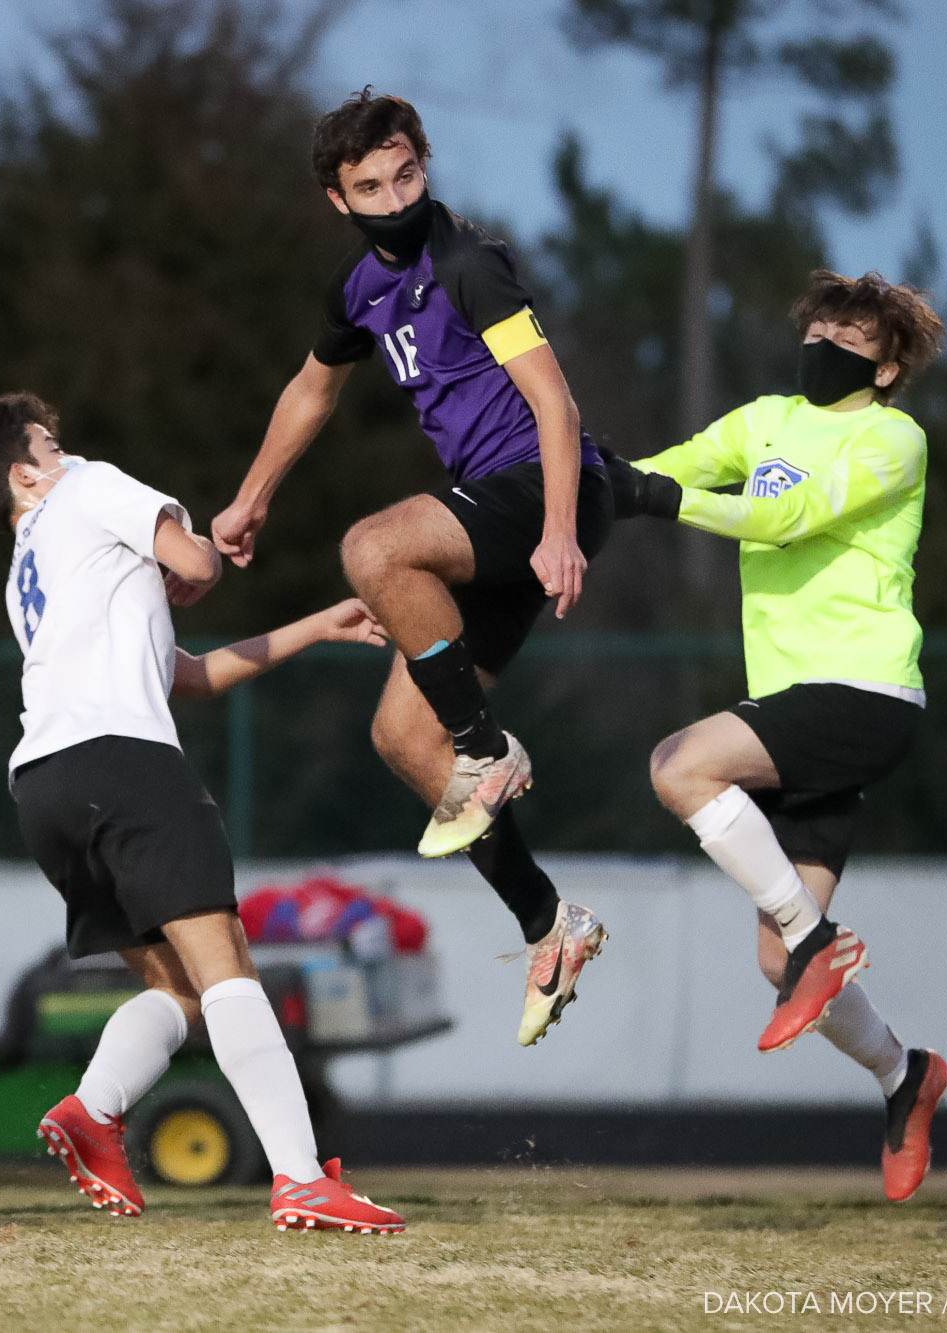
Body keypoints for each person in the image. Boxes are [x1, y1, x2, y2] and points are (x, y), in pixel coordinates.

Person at [0, 392, 404, 1233]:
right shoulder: (86, 487)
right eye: (51, 441)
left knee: (179, 990)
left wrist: (315, 627)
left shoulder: (26, 571)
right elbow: (202, 563)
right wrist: (199, 549)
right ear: (24, 474)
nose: (66, 448)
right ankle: (300, 1177)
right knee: (228, 966)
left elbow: (184, 674)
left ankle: (91, 1109)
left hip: (44, 788)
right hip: (126, 766)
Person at [211, 90, 609, 1047]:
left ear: (424, 167)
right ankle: (552, 923)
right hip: (492, 511)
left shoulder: (469, 264)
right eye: (370, 187)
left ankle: (489, 749)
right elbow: (313, 387)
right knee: (399, 736)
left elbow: (554, 406)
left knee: (372, 546)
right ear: (336, 200)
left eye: (408, 176)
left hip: (545, 491)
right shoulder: (357, 289)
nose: (395, 199)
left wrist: (559, 531)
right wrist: (253, 493)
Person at [605, 269, 947, 1202]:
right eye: (824, 325)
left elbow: (788, 516)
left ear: (886, 368)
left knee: (678, 765)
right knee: (774, 960)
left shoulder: (893, 438)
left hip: (864, 690)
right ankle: (904, 1076)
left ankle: (817, 940)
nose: (830, 341)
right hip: (798, 702)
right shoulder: (761, 419)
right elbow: (670, 466)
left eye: (855, 336)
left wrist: (661, 502)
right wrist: (585, 488)